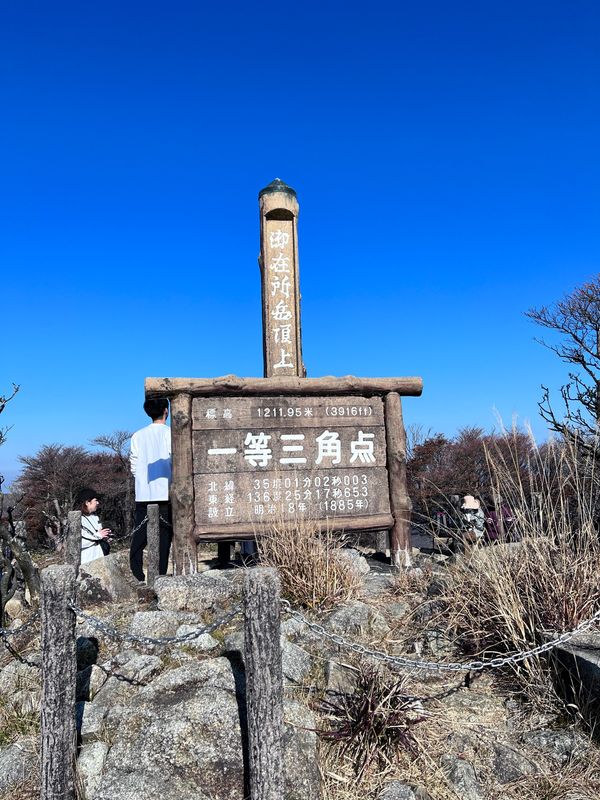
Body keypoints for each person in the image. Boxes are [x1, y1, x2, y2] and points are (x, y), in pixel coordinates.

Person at [129, 397, 172, 582]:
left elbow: (134, 464)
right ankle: (160, 574)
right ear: (166, 410)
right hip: (166, 494)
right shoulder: (171, 434)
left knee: (139, 535)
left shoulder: (138, 435)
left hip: (143, 493)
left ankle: (137, 573)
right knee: (164, 537)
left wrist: (141, 480)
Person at [77, 489, 112, 564]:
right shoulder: (78, 520)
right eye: (95, 500)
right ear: (87, 503)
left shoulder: (95, 517)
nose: (98, 503)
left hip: (100, 557)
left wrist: (106, 535)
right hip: (87, 560)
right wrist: (98, 536)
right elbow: (79, 542)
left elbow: (98, 533)